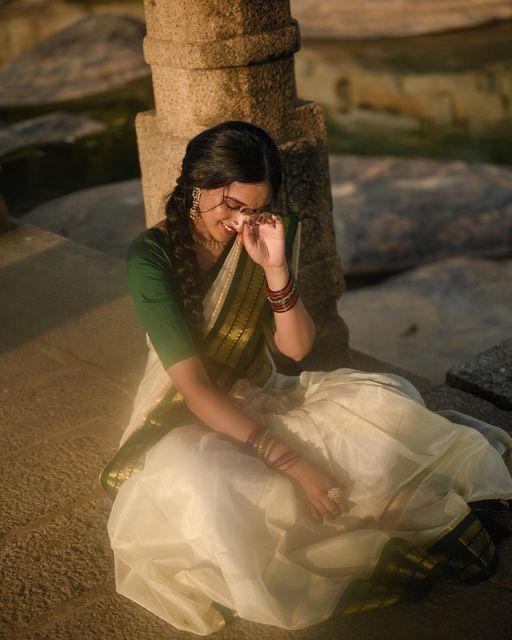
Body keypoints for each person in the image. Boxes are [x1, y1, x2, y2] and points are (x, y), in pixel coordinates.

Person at [102, 120, 512, 635]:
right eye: (230, 206)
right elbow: (195, 389)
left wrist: (274, 269)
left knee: (391, 402)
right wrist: (294, 463)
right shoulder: (152, 257)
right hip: (185, 414)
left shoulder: (262, 232)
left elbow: (296, 349)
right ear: (196, 185)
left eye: (254, 207)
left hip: (259, 393)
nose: (241, 221)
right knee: (206, 488)